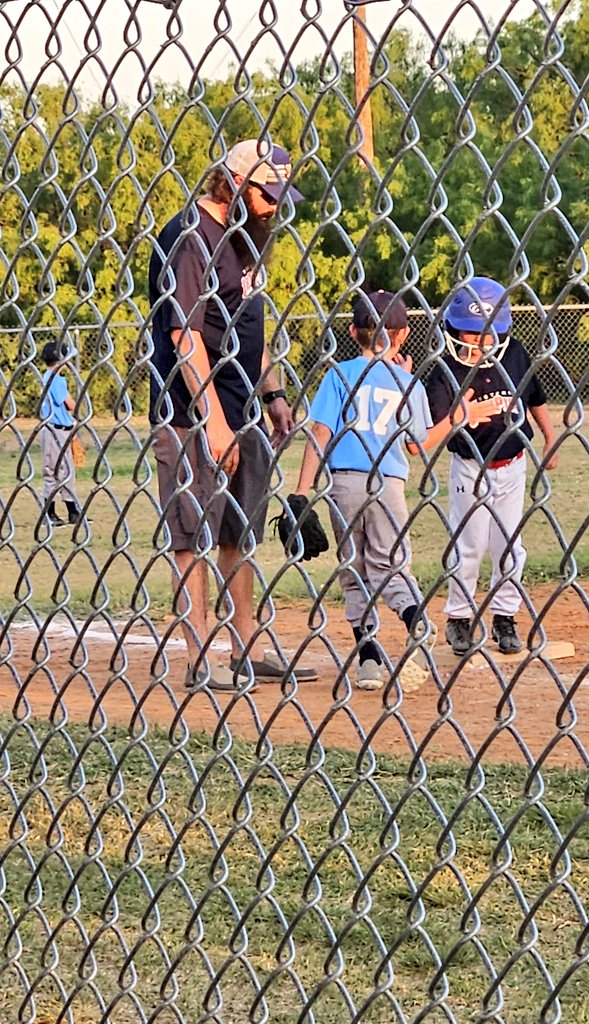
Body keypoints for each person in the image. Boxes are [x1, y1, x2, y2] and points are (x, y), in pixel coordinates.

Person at [148, 138, 317, 691]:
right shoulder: (189, 235)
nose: (272, 206)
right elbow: (185, 335)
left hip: (243, 407)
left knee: (237, 533)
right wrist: (214, 420)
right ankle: (200, 657)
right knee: (191, 533)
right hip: (191, 413)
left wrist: (272, 394)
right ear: (233, 183)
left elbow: (251, 331)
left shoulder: (242, 243)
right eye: (265, 194)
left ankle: (246, 649)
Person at [294, 290, 498, 691]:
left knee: (354, 569)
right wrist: (459, 416)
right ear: (403, 334)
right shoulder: (408, 383)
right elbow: (416, 445)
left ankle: (369, 659)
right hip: (388, 484)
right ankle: (414, 619)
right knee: (390, 564)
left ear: (354, 332)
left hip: (344, 482)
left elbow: (320, 433)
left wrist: (302, 493)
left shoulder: (338, 375)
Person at [426, 276, 558, 657]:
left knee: (510, 547)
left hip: (513, 465)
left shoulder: (514, 353)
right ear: (454, 329)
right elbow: (431, 431)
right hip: (470, 467)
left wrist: (550, 438)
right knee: (469, 546)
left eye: (486, 334)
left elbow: (536, 397)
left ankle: (504, 615)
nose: (479, 342)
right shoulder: (445, 369)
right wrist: (463, 415)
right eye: (470, 333)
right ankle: (459, 617)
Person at [38, 342, 83, 529]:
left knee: (66, 470)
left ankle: (73, 512)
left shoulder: (49, 377)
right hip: (53, 430)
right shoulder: (55, 379)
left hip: (62, 429)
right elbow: (69, 404)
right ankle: (49, 513)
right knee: (53, 472)